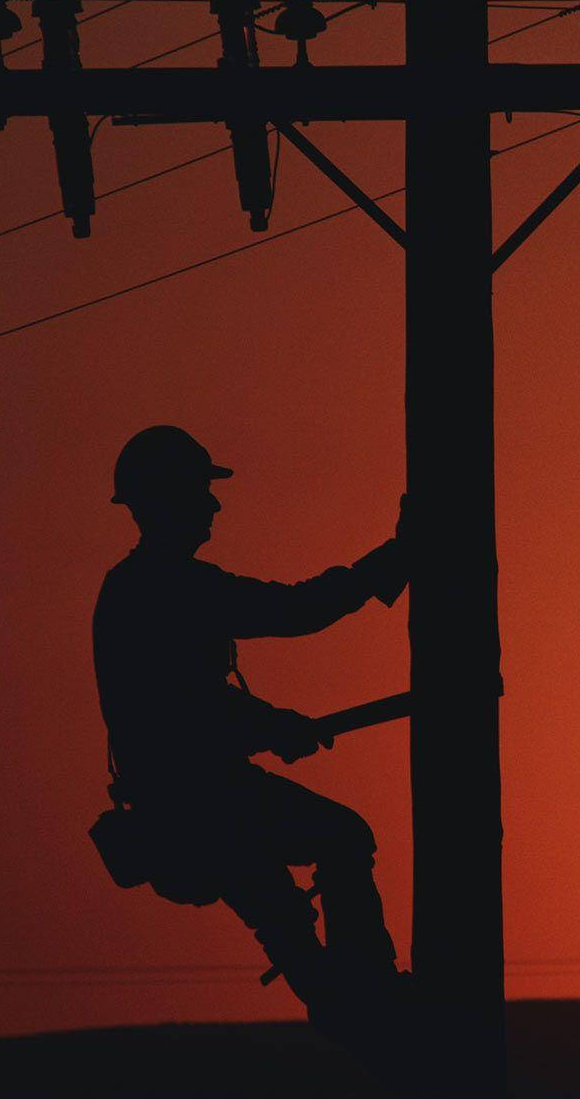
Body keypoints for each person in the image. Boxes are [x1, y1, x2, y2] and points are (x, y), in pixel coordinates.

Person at [90, 424, 407, 1025]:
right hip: (203, 799)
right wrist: (394, 561)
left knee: (282, 915)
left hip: (179, 803)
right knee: (341, 839)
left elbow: (192, 705)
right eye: (200, 492)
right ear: (169, 499)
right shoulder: (169, 589)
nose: (213, 505)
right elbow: (291, 616)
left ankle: (355, 1008)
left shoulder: (135, 588)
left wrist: (272, 726)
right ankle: (371, 996)